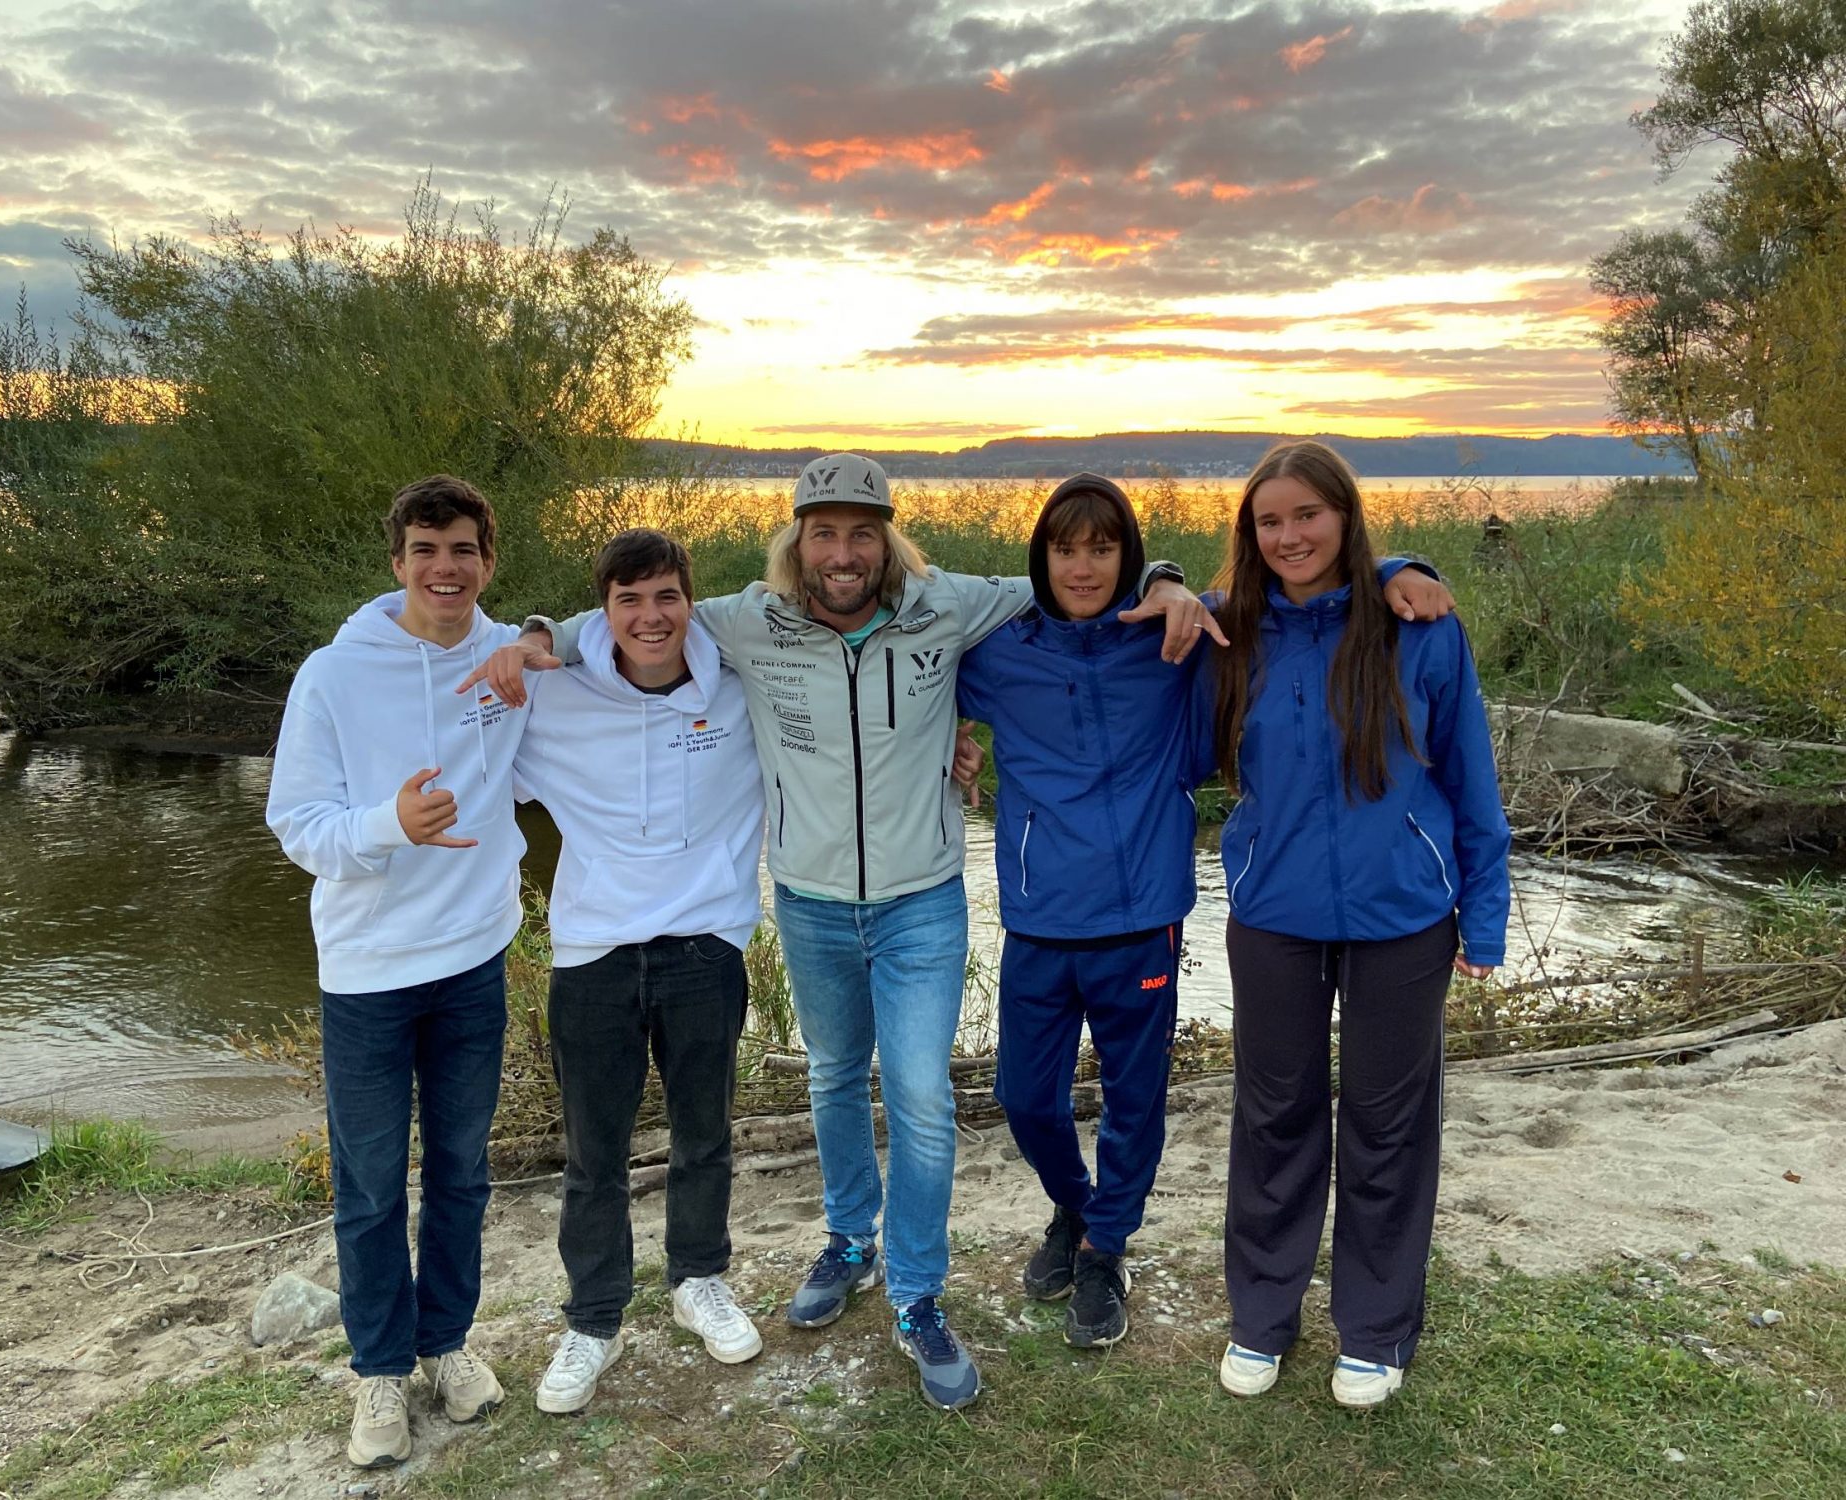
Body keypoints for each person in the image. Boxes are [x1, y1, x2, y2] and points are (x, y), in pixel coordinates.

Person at [462, 453, 1220, 1412]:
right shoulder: (749, 621)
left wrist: (1165, 578)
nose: (844, 551)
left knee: (921, 1098)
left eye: (863, 531)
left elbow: (1062, 587)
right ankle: (849, 1241)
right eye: (825, 531)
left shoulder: (947, 607)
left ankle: (916, 1295)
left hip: (922, 902)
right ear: (798, 541)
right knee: (830, 1077)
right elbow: (638, 620)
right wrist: (535, 637)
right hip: (813, 904)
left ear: (887, 537)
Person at [955, 474, 1450, 1351]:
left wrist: (1394, 568)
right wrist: (948, 746)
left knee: (1134, 1098)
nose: (1083, 565)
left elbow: (1295, 600)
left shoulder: (1178, 642)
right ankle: (1074, 1208)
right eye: (1066, 548)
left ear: (1129, 557)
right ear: (1041, 557)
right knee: (1024, 1098)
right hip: (1038, 912)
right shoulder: (998, 653)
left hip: (1144, 912)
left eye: (1103, 548)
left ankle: (1107, 1248)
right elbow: (911, 692)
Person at [1201, 441, 1510, 1409]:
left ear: (1344, 516)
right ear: (1249, 535)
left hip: (1403, 920)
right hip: (1272, 916)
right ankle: (1261, 1316)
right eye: (1268, 521)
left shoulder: (1419, 626)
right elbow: (1123, 613)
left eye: (1306, 515)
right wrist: (1168, 582)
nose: (1288, 535)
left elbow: (1468, 779)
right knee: (1273, 1118)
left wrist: (1483, 916)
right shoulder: (1230, 632)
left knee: (1386, 1125)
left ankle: (1373, 1332)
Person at [264, 475, 525, 1468]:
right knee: (371, 1187)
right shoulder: (332, 675)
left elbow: (620, 648)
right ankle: (378, 1373)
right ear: (397, 562)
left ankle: (445, 1346)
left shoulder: (509, 667)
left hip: (472, 963)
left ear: (486, 561)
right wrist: (389, 825)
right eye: (424, 549)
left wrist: (537, 631)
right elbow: (296, 823)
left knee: (461, 1174)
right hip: (367, 972)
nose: (443, 568)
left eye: (461, 548)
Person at [509, 529, 768, 1415]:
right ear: (605, 612)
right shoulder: (554, 695)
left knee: (706, 1135)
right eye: (628, 601)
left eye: (665, 597)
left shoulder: (742, 691)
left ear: (689, 602)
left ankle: (699, 1280)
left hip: (706, 950)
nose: (649, 618)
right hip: (593, 957)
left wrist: (949, 756)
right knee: (594, 1155)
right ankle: (592, 1320)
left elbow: (844, 742)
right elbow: (472, 760)